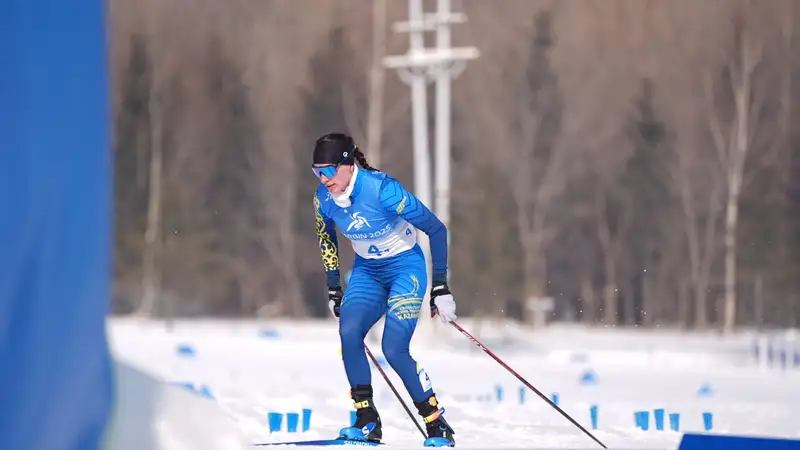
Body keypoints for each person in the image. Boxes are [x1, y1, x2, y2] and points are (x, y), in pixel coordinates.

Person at [312, 132, 458, 447]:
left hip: (406, 268)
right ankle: (366, 419)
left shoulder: (383, 189)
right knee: (348, 332)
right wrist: (334, 287)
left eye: (328, 171)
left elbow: (435, 228)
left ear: (347, 164)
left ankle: (435, 422)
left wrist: (441, 286)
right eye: (316, 172)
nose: (323, 179)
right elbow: (326, 238)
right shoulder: (322, 199)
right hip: (368, 272)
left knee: (393, 348)